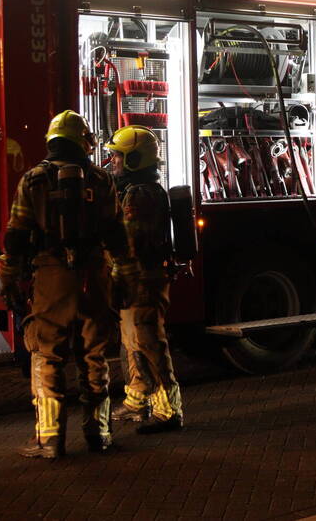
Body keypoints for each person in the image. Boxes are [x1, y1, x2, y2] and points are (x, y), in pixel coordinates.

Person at [0, 110, 137, 458]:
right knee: (95, 356)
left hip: (51, 277)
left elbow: (16, 235)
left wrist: (10, 278)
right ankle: (99, 433)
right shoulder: (103, 181)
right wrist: (124, 275)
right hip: (94, 276)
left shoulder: (33, 180)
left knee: (48, 354)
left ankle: (50, 439)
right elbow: (117, 235)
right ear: (83, 141)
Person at [106, 125, 184, 434]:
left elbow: (130, 243)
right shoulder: (132, 188)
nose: (112, 162)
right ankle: (137, 400)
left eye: (117, 157)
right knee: (131, 343)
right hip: (135, 279)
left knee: (150, 344)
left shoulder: (140, 194)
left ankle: (168, 411)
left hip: (143, 280)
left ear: (134, 159)